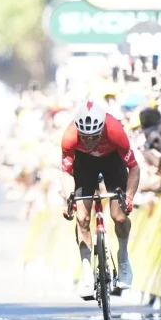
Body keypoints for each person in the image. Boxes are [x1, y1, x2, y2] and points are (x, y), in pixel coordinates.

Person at [60, 99, 140, 300]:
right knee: (82, 218)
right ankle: (87, 271)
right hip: (85, 165)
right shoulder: (69, 136)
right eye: (85, 137)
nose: (89, 141)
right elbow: (66, 173)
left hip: (112, 162)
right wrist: (69, 200)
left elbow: (134, 168)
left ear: (102, 129)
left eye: (94, 136)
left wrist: (128, 197)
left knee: (119, 216)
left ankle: (122, 257)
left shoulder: (114, 130)